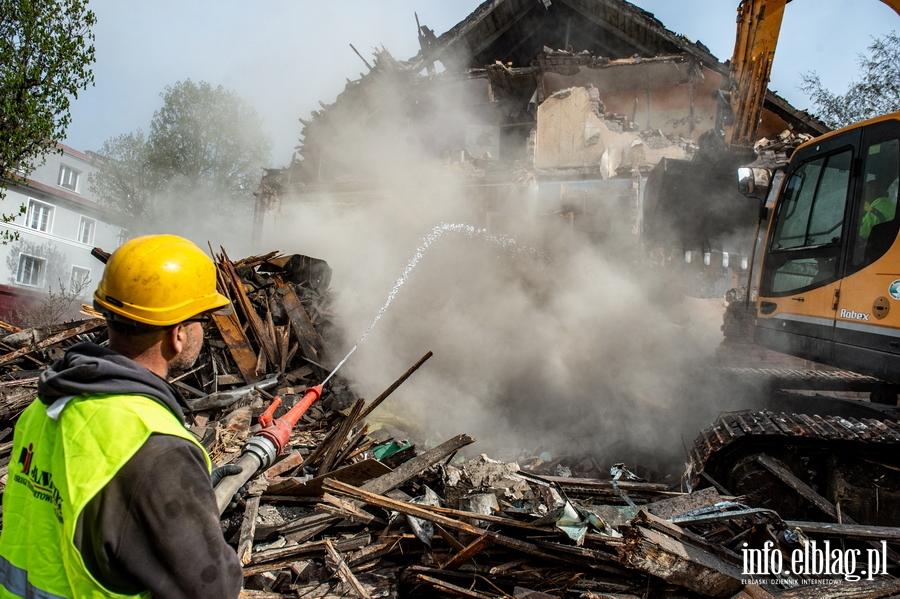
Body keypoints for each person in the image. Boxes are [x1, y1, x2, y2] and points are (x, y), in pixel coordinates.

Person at [0, 235, 244, 598]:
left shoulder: (43, 409)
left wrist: (172, 498)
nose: (203, 331)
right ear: (178, 334)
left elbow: (87, 511)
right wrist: (172, 488)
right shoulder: (155, 445)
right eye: (202, 320)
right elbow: (213, 590)